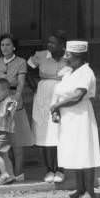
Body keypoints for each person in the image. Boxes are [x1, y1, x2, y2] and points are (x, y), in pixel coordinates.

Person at [49, 41, 100, 198]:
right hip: (69, 118)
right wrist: (56, 109)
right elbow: (62, 93)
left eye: (68, 54)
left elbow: (77, 96)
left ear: (78, 56)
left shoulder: (86, 72)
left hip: (81, 116)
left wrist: (57, 105)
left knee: (84, 152)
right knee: (75, 153)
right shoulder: (70, 72)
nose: (65, 57)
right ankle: (80, 189)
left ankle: (90, 192)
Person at [0, 33, 34, 180]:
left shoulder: (21, 62)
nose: (5, 47)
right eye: (2, 45)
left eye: (8, 44)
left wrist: (15, 99)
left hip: (14, 100)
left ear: (14, 46)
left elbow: (20, 83)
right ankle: (1, 172)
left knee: (17, 139)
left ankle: (18, 173)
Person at [27, 31, 68, 182]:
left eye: (53, 43)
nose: (49, 45)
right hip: (43, 98)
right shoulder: (41, 55)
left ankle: (61, 170)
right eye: (48, 42)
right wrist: (34, 86)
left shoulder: (69, 57)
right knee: (45, 134)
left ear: (62, 46)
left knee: (60, 133)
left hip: (62, 98)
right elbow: (28, 69)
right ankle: (49, 170)